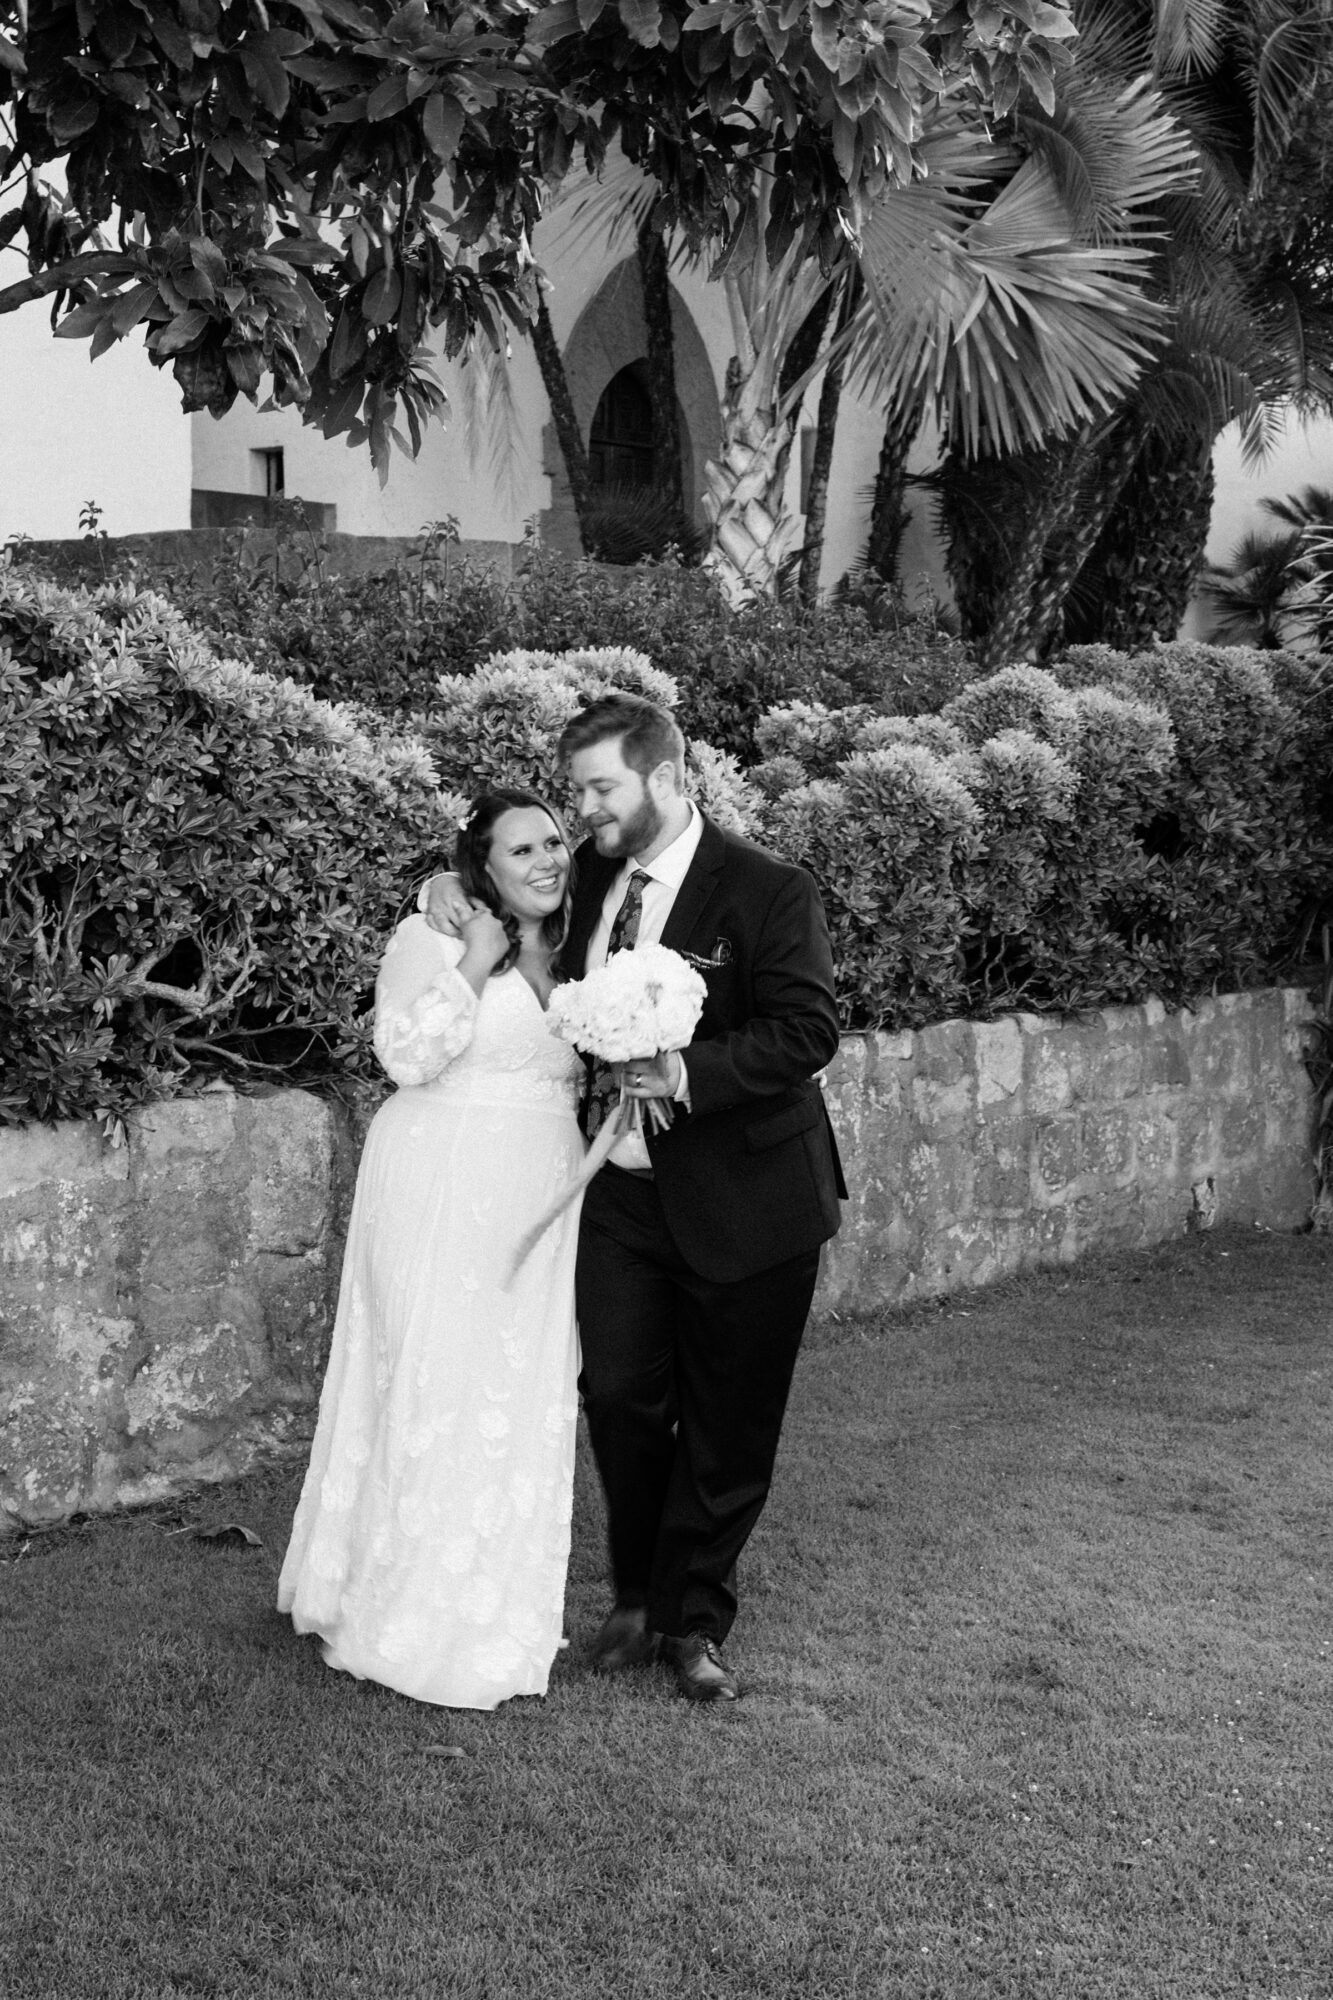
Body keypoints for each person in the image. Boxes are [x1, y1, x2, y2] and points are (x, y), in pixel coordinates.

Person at [427, 694, 845, 1702]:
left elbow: (805, 1030)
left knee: (727, 1422)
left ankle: (689, 1617)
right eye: (578, 789)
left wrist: (685, 1069)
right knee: (616, 1393)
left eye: (600, 787)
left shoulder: (766, 888)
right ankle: (638, 1588)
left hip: (749, 1198)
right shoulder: (594, 878)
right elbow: (507, 889)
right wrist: (444, 879)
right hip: (616, 1191)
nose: (583, 809)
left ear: (664, 778)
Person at [277, 790, 586, 1711]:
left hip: (541, 1188)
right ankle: (395, 1607)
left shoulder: (586, 946)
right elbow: (402, 1059)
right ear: (478, 868)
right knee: (427, 1377)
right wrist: (470, 967)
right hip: (436, 1180)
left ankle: (494, 1610)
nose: (546, 859)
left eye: (555, 842)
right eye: (521, 848)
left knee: (518, 1388)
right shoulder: (434, 936)